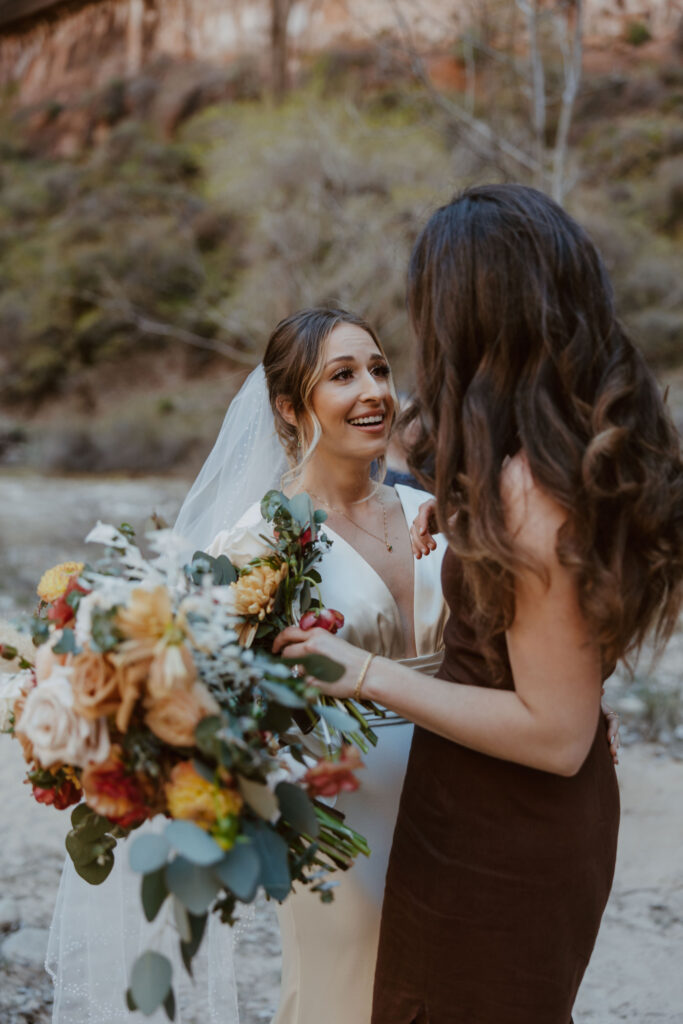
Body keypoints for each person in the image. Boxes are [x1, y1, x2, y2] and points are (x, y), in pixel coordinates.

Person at [273, 187, 682, 1023]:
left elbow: (557, 735)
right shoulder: (534, 465)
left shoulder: (530, 492)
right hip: (475, 808)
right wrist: (468, 534)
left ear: (468, 313)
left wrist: (364, 672)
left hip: (504, 832)